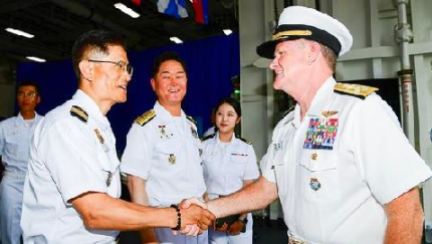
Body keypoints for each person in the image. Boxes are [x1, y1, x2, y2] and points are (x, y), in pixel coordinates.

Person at [182, 5, 432, 244]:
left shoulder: (360, 111)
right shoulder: (287, 126)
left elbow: (407, 212)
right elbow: (267, 188)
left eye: (281, 53)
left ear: (312, 52)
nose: (272, 63)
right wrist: (208, 208)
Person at [20, 30, 214, 243]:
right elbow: (95, 211)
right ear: (89, 69)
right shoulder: (66, 125)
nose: (127, 75)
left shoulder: (99, 128)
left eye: (128, 68)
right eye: (119, 66)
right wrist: (174, 217)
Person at [121, 51, 209, 243]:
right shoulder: (144, 127)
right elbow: (136, 184)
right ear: (154, 84)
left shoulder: (190, 125)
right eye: (166, 76)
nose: (174, 83)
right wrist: (148, 236)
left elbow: (197, 178)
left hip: (199, 224)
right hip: (166, 226)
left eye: (179, 76)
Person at [202, 97, 259, 244]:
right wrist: (208, 213)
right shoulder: (204, 147)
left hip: (240, 212)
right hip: (213, 213)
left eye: (230, 114)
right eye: (220, 114)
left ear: (238, 119)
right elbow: (199, 182)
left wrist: (241, 219)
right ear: (215, 117)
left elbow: (249, 187)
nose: (224, 119)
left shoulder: (246, 149)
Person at [0, 81, 43, 244]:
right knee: (10, 228)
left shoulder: (45, 125)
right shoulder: (4, 127)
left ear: (38, 99)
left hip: (38, 182)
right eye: (21, 93)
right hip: (12, 182)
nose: (25, 98)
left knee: (38, 228)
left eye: (30, 94)